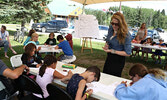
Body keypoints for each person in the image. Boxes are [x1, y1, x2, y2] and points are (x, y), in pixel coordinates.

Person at [102, 12, 131, 77]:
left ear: (121, 24)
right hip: (109, 57)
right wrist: (106, 45)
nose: (114, 26)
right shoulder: (111, 28)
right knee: (105, 75)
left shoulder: (126, 35)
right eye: (112, 23)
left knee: (113, 78)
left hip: (118, 60)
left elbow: (128, 53)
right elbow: (108, 40)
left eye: (116, 24)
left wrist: (112, 51)